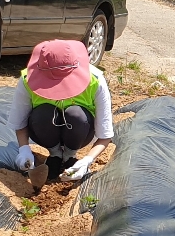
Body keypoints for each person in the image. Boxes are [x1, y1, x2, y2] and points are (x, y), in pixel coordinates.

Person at [9, 40, 114, 189]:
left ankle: (70, 155)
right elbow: (19, 121)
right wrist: (24, 150)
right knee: (43, 114)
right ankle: (55, 155)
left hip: (81, 132)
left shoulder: (95, 80)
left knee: (76, 114)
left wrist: (87, 161)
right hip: (43, 131)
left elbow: (105, 135)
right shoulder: (28, 79)